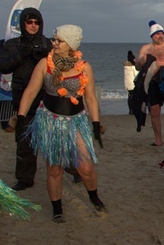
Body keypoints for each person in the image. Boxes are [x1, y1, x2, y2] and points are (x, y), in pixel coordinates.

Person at [16, 25, 104, 222]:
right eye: (54, 39)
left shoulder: (85, 66)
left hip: (76, 121)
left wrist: (96, 123)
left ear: (71, 44)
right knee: (54, 169)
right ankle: (57, 209)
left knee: (86, 167)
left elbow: (90, 98)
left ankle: (94, 197)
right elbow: (30, 92)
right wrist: (21, 117)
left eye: (59, 40)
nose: (53, 43)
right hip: (51, 121)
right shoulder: (44, 64)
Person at [0, 8, 53, 190]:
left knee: (55, 138)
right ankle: (25, 179)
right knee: (24, 141)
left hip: (47, 99)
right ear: (23, 24)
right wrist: (22, 54)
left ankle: (74, 172)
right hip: (22, 100)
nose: (33, 26)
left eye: (36, 22)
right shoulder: (12, 44)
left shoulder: (48, 43)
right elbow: (2, 66)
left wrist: (45, 55)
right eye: (29, 22)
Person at [124, 50, 138, 114]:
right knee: (133, 97)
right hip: (132, 84)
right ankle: (133, 109)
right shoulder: (133, 67)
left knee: (129, 96)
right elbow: (136, 75)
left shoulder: (125, 67)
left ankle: (130, 110)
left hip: (127, 84)